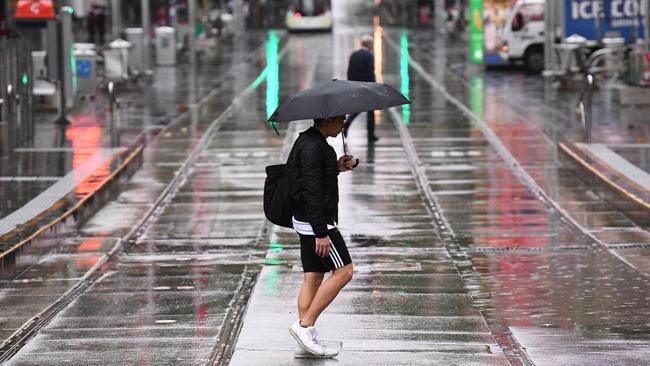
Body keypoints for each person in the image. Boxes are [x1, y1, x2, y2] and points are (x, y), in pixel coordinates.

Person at [287, 115, 356, 358]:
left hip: (306, 221)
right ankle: (304, 326)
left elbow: (313, 179)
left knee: (313, 276)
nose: (343, 125)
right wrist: (321, 232)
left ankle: (305, 334)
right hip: (317, 223)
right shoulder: (314, 147)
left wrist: (336, 166)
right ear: (329, 120)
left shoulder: (310, 142)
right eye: (342, 120)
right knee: (344, 271)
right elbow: (312, 190)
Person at [344, 34, 379, 142]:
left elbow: (349, 72)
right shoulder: (369, 56)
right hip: (367, 86)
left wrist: (351, 84)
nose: (372, 46)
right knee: (369, 109)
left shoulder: (353, 54)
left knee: (361, 107)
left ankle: (348, 123)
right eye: (372, 44)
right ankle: (370, 134)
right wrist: (373, 86)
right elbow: (370, 73)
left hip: (355, 85)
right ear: (369, 44)